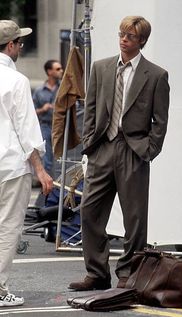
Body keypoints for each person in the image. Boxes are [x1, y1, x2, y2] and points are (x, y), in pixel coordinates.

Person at [68, 16, 170, 291]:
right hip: (103, 147)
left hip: (134, 151)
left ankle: (128, 273)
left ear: (142, 42)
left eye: (130, 36)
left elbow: (160, 121)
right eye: (121, 34)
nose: (124, 39)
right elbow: (90, 110)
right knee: (89, 211)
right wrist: (90, 142)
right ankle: (97, 272)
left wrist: (149, 150)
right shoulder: (101, 68)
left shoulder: (156, 75)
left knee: (135, 219)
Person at [0, 20, 53, 307]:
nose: (21, 46)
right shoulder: (16, 81)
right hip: (9, 165)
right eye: (19, 43)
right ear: (10, 46)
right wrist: (41, 170)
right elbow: (27, 130)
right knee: (7, 228)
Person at [33, 59, 63, 176]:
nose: (61, 71)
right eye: (57, 69)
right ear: (49, 71)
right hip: (45, 126)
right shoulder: (39, 91)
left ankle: (59, 186)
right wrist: (43, 109)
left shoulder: (63, 89)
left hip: (60, 127)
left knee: (61, 158)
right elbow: (32, 112)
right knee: (47, 158)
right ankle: (46, 187)